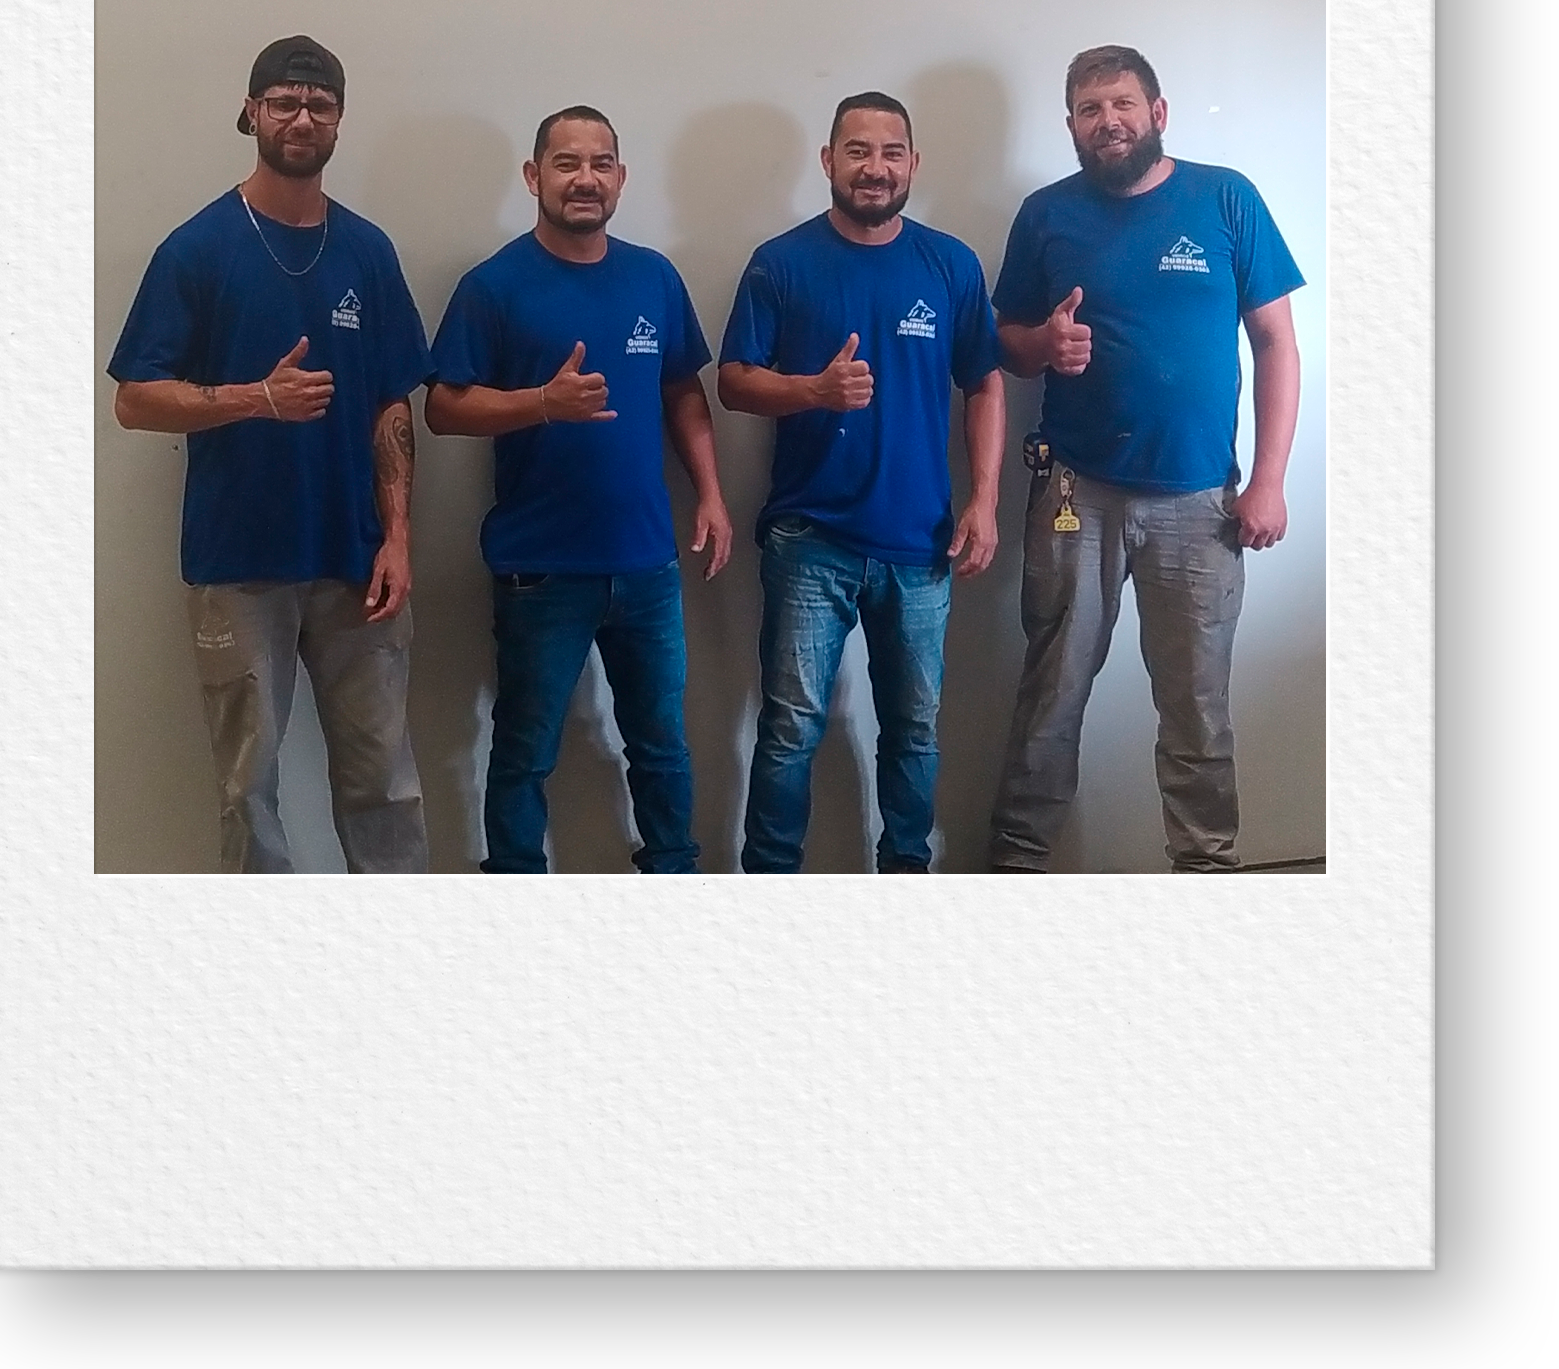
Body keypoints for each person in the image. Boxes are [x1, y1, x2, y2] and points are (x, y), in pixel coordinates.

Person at [108, 35, 434, 873]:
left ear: (340, 121)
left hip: (356, 561)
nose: (301, 118)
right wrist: (256, 397)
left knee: (385, 784)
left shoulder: (368, 251)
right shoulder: (198, 249)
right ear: (251, 112)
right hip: (239, 563)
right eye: (284, 102)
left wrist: (398, 537)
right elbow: (135, 398)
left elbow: (392, 403)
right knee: (248, 789)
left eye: (319, 105)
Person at [988, 44, 1305, 873]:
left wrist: (1269, 480)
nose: (1109, 121)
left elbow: (1276, 342)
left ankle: (1204, 872)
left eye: (1122, 103)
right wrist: (1044, 344)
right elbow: (1006, 342)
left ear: (1157, 113)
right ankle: (1017, 871)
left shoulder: (1226, 199)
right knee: (1051, 696)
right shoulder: (1045, 215)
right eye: (1089, 110)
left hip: (1201, 505)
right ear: (1070, 126)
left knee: (1197, 707)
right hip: (1074, 492)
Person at [426, 106, 731, 874]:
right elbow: (443, 407)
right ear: (535, 177)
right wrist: (540, 403)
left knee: (661, 746)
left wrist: (712, 495)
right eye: (567, 163)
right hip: (540, 570)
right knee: (525, 751)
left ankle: (673, 878)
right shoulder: (493, 286)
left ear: (621, 178)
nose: (585, 179)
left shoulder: (654, 278)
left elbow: (683, 392)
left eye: (600, 164)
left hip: (647, 564)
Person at [717, 92, 1005, 874]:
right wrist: (812, 390)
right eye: (857, 151)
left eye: (890, 153)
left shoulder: (950, 264)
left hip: (921, 545)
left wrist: (984, 500)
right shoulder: (781, 262)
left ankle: (905, 880)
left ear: (913, 164)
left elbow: (984, 381)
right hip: (810, 541)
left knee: (914, 733)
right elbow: (734, 381)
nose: (874, 168)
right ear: (828, 161)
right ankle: (770, 885)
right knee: (790, 730)